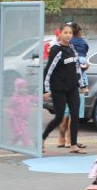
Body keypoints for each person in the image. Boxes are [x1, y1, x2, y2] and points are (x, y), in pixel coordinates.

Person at [42, 22, 84, 153]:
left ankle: (73, 145)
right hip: (59, 89)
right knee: (59, 117)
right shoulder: (56, 49)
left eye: (70, 33)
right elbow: (48, 70)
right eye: (65, 33)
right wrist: (45, 90)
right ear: (59, 34)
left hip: (72, 88)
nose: (68, 35)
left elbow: (77, 68)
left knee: (75, 116)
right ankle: (42, 138)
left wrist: (82, 85)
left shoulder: (72, 48)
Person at [6, 77, 35, 147]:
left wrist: (42, 97)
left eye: (25, 88)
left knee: (24, 133)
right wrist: (11, 115)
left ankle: (24, 146)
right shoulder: (15, 98)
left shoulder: (28, 97)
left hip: (24, 119)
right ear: (17, 89)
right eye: (21, 88)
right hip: (15, 120)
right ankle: (17, 144)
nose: (24, 89)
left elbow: (36, 99)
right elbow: (10, 107)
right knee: (20, 133)